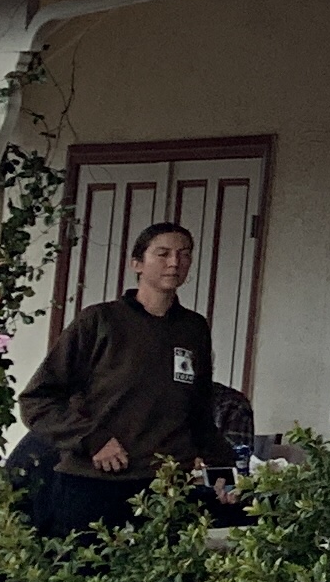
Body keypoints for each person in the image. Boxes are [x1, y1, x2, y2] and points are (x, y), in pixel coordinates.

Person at [14, 222, 229, 538]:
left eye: (184, 254)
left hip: (166, 487)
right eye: (163, 253)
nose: (175, 262)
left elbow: (198, 412)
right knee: (88, 567)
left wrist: (223, 470)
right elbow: (38, 399)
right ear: (137, 263)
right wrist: (93, 439)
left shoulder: (193, 329)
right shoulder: (100, 321)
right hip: (94, 483)